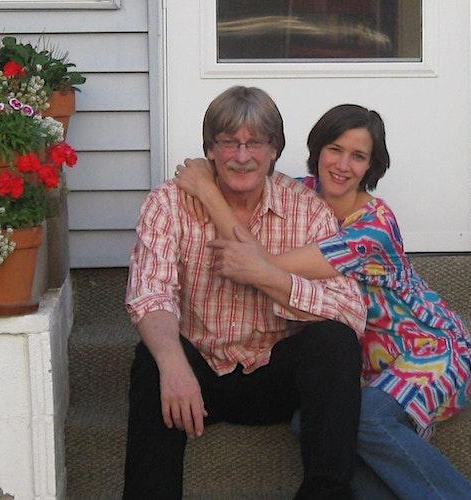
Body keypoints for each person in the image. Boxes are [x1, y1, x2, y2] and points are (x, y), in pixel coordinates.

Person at [173, 104, 471, 499]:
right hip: (364, 361)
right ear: (318, 149)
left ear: (371, 166)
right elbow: (245, 172)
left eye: (359, 156)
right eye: (335, 149)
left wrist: (206, 190)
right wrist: (208, 169)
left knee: (367, 417)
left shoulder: (374, 227)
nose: (342, 165)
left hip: (431, 349)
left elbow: (263, 266)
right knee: (311, 424)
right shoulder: (301, 193)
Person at [123, 87, 368, 500]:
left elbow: (350, 311)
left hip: (275, 375)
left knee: (336, 343)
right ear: (210, 151)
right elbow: (150, 293)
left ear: (274, 150)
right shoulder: (168, 203)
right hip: (198, 375)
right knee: (151, 359)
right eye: (228, 142)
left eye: (255, 142)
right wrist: (173, 364)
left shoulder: (307, 210)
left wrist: (267, 275)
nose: (242, 155)